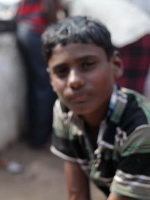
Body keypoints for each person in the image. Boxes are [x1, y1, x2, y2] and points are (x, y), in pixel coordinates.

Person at [42, 16, 150, 199]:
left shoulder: (140, 128)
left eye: (87, 65)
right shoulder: (64, 111)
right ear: (51, 79)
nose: (74, 81)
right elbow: (76, 194)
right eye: (61, 71)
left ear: (116, 65)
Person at [66, 0, 150, 95]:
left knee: (120, 86)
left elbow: (76, 34)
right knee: (135, 84)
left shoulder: (77, 4)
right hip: (144, 32)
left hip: (123, 37)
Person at [15, 0, 62, 148]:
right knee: (45, 84)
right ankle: (40, 137)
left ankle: (36, 135)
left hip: (24, 29)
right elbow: (50, 10)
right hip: (37, 31)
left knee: (36, 84)